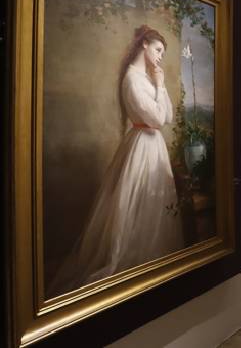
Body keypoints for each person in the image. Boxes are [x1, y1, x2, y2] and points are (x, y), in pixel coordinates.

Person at [48, 25, 183, 296]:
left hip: (153, 145)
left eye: (163, 53)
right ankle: (132, 264)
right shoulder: (133, 80)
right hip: (142, 147)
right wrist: (158, 85)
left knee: (155, 204)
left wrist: (160, 84)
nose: (160, 57)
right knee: (136, 206)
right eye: (157, 50)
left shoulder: (147, 77)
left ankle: (153, 262)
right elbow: (156, 119)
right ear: (144, 44)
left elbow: (166, 117)